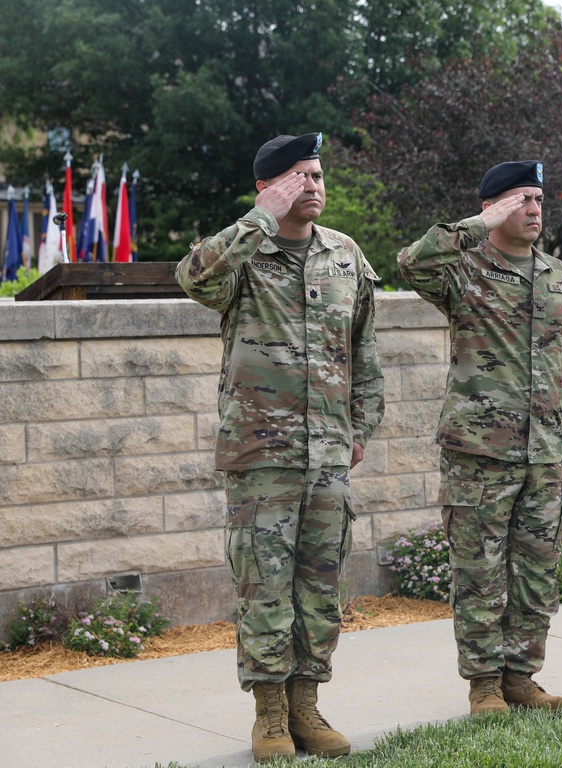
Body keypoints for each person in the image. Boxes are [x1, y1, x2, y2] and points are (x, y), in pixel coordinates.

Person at [175, 132, 385, 762]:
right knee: (264, 584)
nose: (313, 186)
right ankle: (268, 716)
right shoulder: (241, 254)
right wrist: (262, 216)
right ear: (267, 187)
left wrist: (361, 428)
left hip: (327, 454)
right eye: (299, 176)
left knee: (320, 584)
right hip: (261, 455)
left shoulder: (345, 256)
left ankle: (307, 706)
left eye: (318, 176)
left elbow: (366, 351)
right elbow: (193, 277)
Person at [398, 160, 562, 716]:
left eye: (537, 199)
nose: (533, 209)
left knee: (536, 571)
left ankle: (521, 677)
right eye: (519, 200)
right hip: (479, 455)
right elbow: (413, 262)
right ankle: (483, 685)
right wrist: (479, 224)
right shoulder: (463, 269)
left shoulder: (559, 277)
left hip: (544, 455)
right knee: (479, 575)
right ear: (492, 208)